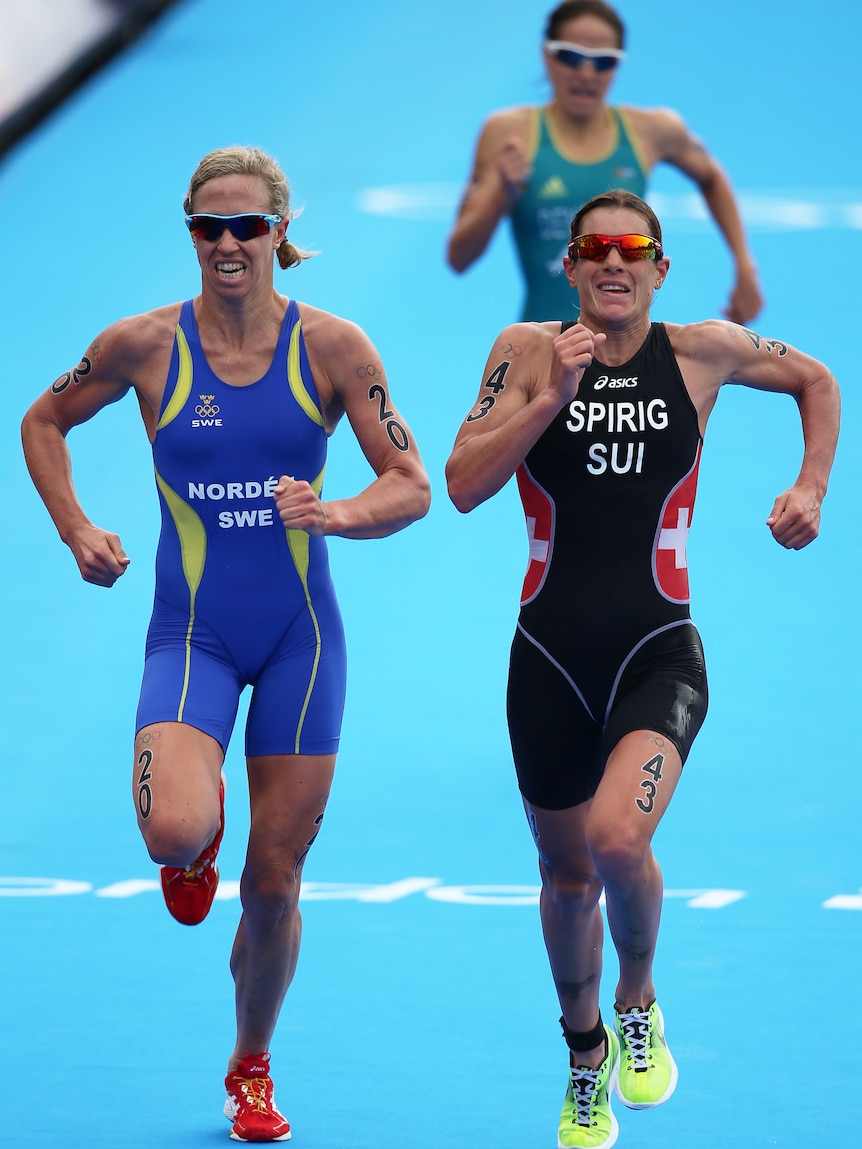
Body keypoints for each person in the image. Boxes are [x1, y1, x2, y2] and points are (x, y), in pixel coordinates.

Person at [21, 144, 431, 1144]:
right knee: (173, 831)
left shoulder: (336, 350)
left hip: (300, 642)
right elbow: (42, 419)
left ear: (281, 233)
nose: (230, 244)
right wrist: (77, 528)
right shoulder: (141, 345)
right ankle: (187, 848)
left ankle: (251, 1062)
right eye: (211, 227)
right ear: (191, 233)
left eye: (250, 226)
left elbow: (409, 482)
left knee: (275, 879)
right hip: (192, 633)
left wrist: (333, 515)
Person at [445, 188, 838, 1148]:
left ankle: (637, 1000)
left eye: (634, 250)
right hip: (546, 658)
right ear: (571, 267)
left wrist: (812, 485)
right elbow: (461, 483)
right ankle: (584, 1056)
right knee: (566, 876)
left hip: (659, 648)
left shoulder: (703, 351)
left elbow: (819, 380)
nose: (613, 263)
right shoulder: (525, 350)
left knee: (620, 839)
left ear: (660, 268)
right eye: (594, 249)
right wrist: (547, 400)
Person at [446, 0, 763, 326]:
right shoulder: (508, 134)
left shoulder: (651, 131)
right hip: (545, 351)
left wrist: (744, 264)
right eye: (571, 57)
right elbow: (459, 258)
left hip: (629, 351)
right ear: (546, 55)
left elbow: (711, 176)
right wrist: (501, 193)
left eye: (604, 62)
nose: (586, 73)